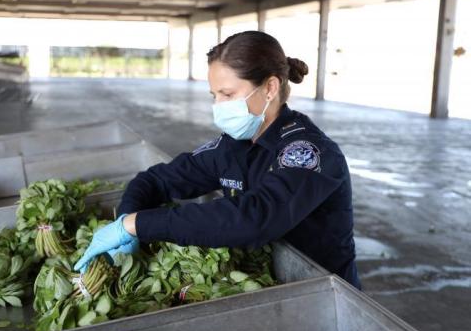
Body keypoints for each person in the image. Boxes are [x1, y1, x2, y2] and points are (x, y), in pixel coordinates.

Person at [74, 31, 361, 290]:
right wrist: (127, 223)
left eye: (228, 94)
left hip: (322, 294)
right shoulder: (232, 145)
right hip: (266, 287)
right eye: (214, 95)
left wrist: (136, 224)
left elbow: (252, 219)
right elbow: (155, 180)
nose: (219, 106)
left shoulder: (308, 153)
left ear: (270, 88)